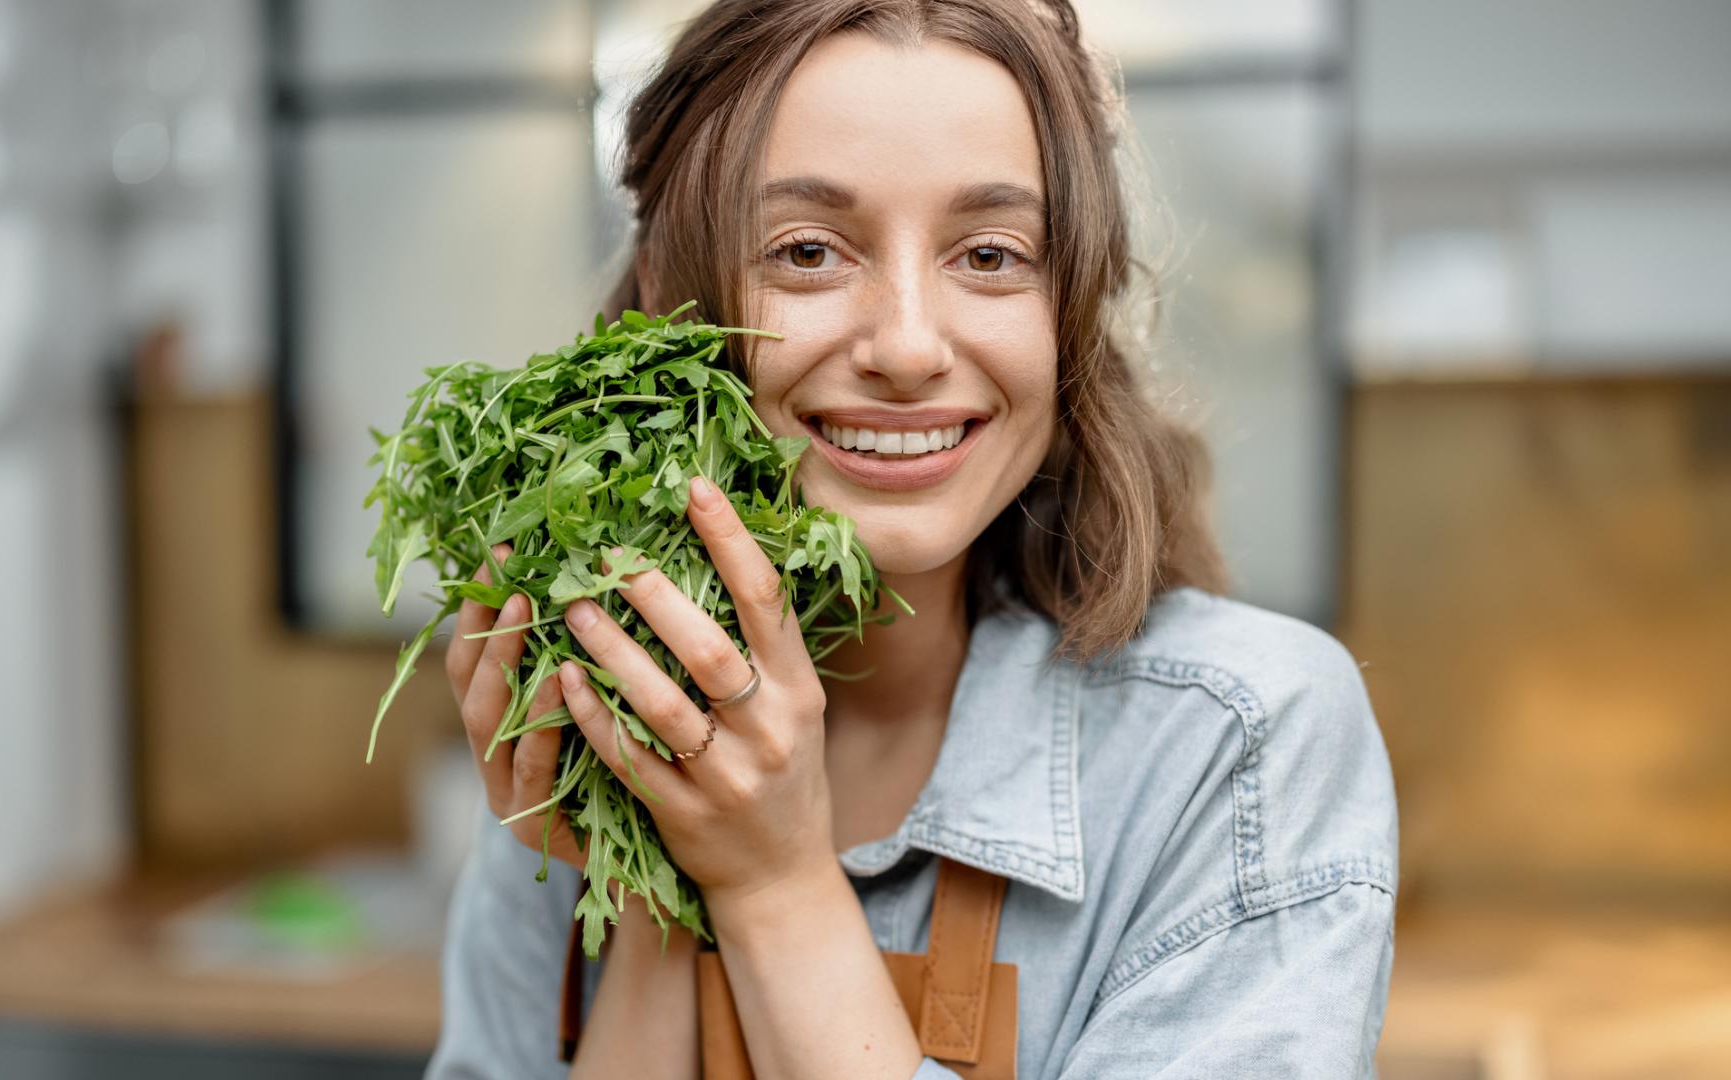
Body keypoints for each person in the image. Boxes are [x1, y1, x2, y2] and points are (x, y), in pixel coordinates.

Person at [427, 1, 1397, 1076]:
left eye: (989, 254)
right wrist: (648, 865)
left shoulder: (1241, 742)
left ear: (1070, 304)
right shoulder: (591, 713)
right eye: (807, 251)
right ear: (665, 293)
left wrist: (776, 886)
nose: (906, 344)